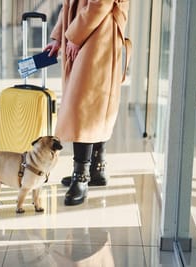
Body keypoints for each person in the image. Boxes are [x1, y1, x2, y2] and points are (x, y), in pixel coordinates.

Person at [44, 0, 131, 206]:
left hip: (99, 32)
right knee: (92, 103)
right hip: (87, 28)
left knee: (84, 105)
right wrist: (60, 36)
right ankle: (96, 168)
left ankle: (81, 175)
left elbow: (100, 2)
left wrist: (74, 35)